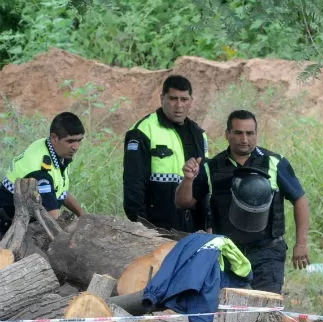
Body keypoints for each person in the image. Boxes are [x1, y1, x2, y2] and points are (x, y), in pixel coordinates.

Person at [175, 110, 310, 293]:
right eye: (238, 133)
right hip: (229, 254)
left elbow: (300, 199)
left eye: (249, 133)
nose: (244, 139)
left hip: (267, 252)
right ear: (227, 134)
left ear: (256, 134)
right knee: (231, 311)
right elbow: (184, 202)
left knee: (264, 311)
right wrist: (188, 179)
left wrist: (301, 243)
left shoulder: (274, 163)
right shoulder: (211, 167)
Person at [124, 75, 208, 231]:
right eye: (173, 99)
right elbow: (133, 184)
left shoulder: (199, 134)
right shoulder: (142, 131)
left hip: (192, 228)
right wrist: (141, 228)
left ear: (191, 100)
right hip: (155, 227)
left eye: (184, 99)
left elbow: (204, 183)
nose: (179, 105)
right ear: (162, 98)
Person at [1, 112, 87, 236]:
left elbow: (58, 190)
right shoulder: (40, 171)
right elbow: (54, 220)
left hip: (28, 220)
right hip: (10, 228)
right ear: (54, 138)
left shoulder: (53, 149)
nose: (76, 147)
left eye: (79, 140)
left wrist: (83, 215)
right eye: (70, 141)